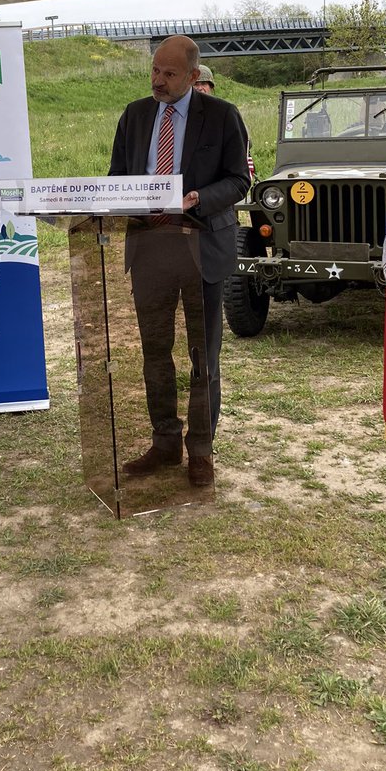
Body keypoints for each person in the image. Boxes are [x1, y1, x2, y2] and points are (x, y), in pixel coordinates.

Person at [109, 34, 251, 486]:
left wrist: (198, 198)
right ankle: (165, 442)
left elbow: (238, 181)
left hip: (202, 249)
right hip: (149, 249)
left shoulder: (223, 115)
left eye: (169, 74)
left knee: (201, 358)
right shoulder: (134, 114)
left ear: (193, 76)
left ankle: (201, 451)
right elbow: (116, 177)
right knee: (155, 354)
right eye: (154, 71)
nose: (158, 81)